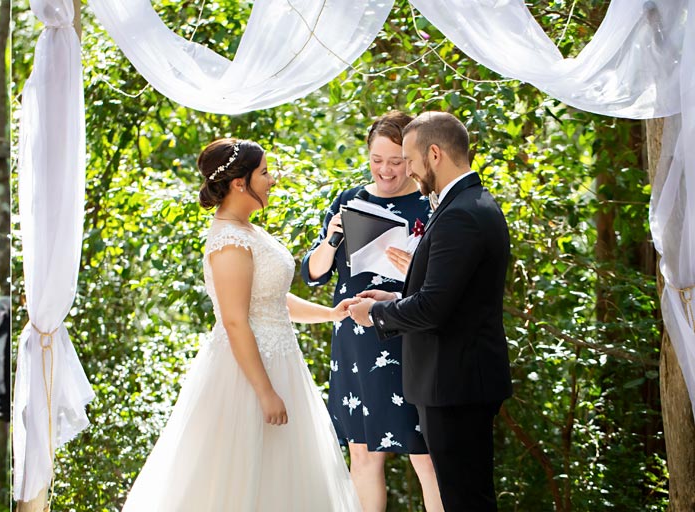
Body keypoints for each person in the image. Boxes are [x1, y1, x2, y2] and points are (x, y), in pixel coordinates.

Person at [123, 138, 360, 511]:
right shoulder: (229, 240)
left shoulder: (248, 229)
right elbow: (235, 321)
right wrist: (265, 391)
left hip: (281, 362)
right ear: (238, 183)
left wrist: (331, 313)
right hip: (246, 374)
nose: (272, 179)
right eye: (264, 173)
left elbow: (270, 300)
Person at [348, 111, 512, 511]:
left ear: (434, 153)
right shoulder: (469, 203)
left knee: (465, 500)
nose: (410, 169)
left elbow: (434, 309)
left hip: (455, 383)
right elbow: (451, 294)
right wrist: (393, 298)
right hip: (458, 380)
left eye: (410, 158)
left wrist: (375, 314)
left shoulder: (460, 215)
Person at [301, 111, 442, 511]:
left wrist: (413, 266)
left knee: (425, 454)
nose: (386, 170)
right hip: (356, 340)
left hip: (410, 335)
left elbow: (446, 280)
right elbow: (314, 275)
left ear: (412, 159)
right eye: (377, 160)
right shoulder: (349, 201)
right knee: (362, 454)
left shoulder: (429, 204)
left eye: (396, 161)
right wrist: (330, 241)